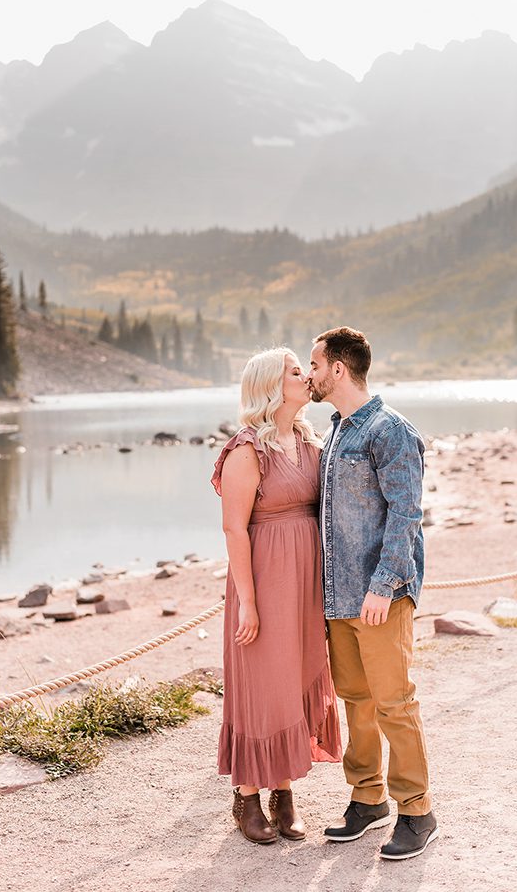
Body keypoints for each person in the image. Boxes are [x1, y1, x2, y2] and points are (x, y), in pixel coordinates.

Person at [305, 325, 438, 860]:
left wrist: (384, 587)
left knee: (394, 703)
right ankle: (367, 799)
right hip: (338, 596)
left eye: (314, 365)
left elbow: (406, 516)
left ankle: (418, 811)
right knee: (355, 702)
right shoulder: (335, 431)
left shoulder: (390, 431)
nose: (310, 374)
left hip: (380, 596)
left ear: (338, 368)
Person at [212, 347, 342, 845]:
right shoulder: (247, 449)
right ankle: (246, 794)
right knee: (262, 683)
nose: (307, 376)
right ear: (272, 384)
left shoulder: (310, 442)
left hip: (305, 585)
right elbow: (233, 529)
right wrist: (247, 600)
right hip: (264, 580)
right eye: (296, 371)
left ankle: (283, 792)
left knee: (293, 678)